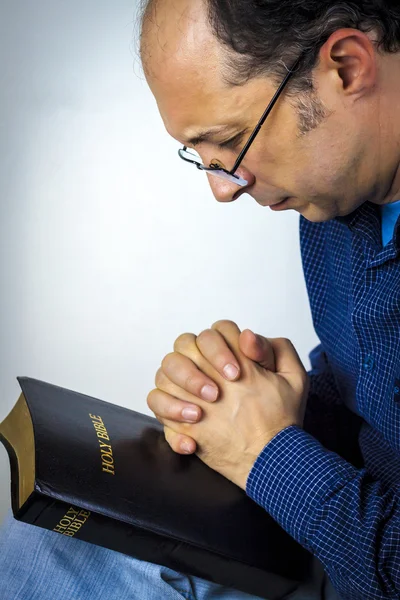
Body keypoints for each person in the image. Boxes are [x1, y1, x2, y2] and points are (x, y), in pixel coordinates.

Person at [1, 1, 400, 598]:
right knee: (44, 542)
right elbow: (374, 407)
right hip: (337, 548)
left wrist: (267, 454)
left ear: (345, 67)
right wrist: (262, 403)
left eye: (230, 142)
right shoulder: (338, 202)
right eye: (202, 157)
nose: (221, 189)